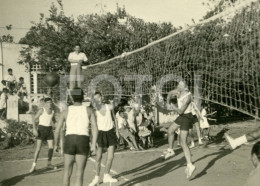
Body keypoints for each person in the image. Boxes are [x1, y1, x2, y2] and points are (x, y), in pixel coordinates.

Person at [54, 88, 98, 186]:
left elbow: (57, 131)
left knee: (67, 172)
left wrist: (56, 145)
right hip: (82, 140)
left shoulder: (65, 111)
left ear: (72, 97)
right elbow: (95, 128)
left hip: (70, 139)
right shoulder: (89, 110)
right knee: (79, 174)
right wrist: (93, 144)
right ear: (82, 97)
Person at [164, 80, 196, 180]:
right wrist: (168, 100)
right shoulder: (179, 92)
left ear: (184, 86)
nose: (177, 86)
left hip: (186, 117)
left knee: (183, 142)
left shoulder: (188, 96)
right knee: (170, 130)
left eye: (180, 85)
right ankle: (170, 150)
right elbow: (169, 93)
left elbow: (181, 111)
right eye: (178, 84)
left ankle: (190, 165)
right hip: (182, 116)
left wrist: (171, 105)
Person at [89, 92, 119, 186]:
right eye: (95, 98)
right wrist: (93, 140)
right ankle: (96, 178)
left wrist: (117, 131)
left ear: (102, 97)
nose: (97, 99)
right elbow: (93, 127)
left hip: (110, 132)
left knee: (111, 157)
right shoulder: (94, 111)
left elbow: (114, 119)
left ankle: (106, 175)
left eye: (98, 97)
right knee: (98, 157)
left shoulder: (109, 107)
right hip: (100, 134)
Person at [29, 97, 55, 173]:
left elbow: (52, 120)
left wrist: (55, 125)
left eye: (51, 102)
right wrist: (34, 128)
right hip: (41, 129)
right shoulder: (41, 110)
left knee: (51, 147)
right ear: (46, 103)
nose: (51, 103)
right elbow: (34, 119)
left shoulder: (52, 111)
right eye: (49, 102)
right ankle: (33, 166)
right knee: (38, 148)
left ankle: (49, 164)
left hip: (49, 129)